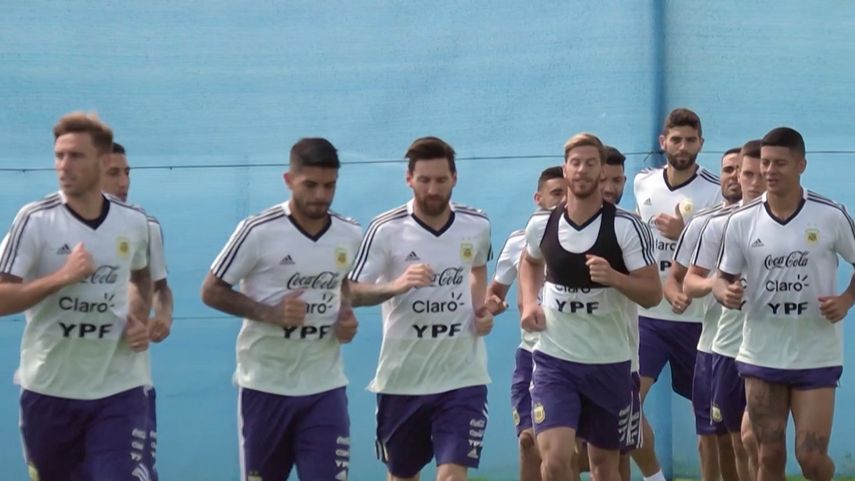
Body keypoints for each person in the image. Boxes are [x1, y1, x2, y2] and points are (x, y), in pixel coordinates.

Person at [0, 112, 153, 481]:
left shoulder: (133, 221)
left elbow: (141, 277)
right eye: (59, 156)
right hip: (50, 390)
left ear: (102, 162)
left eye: (75, 156)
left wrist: (139, 315)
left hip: (119, 388)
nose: (63, 166)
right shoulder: (35, 220)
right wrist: (62, 277)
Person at [201, 138, 362, 481]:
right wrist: (270, 313)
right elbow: (212, 291)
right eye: (311, 185)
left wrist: (345, 317)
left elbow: (343, 285)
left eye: (329, 186)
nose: (321, 195)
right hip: (266, 387)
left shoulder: (349, 233)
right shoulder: (257, 231)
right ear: (288, 180)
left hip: (325, 388)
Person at [348, 136, 494, 481]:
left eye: (441, 180)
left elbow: (476, 269)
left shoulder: (477, 224)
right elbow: (351, 292)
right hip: (403, 380)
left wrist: (480, 308)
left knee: (451, 475)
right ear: (409, 179)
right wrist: (396, 285)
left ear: (454, 179)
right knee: (402, 475)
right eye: (424, 180)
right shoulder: (386, 229)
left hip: (463, 376)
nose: (432, 189)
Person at [714, 127, 855, 481]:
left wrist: (847, 299)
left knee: (810, 457)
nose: (769, 171)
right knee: (769, 453)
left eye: (780, 163)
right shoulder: (742, 222)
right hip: (762, 353)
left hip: (816, 352)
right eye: (765, 163)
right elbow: (722, 278)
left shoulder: (831, 215)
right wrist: (725, 292)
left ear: (801, 165)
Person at [519, 133, 661, 481]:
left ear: (601, 172)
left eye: (590, 163)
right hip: (555, 362)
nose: (582, 170)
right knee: (553, 460)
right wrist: (527, 302)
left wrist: (615, 277)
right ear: (565, 169)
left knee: (604, 466)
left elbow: (652, 293)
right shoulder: (542, 224)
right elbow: (530, 262)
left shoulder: (627, 228)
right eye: (575, 162)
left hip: (609, 363)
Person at [632, 108, 723, 481]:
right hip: (650, 319)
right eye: (676, 139)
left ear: (701, 143)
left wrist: (684, 231)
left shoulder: (715, 189)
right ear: (663, 142)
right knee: (627, 406)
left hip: (699, 322)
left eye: (690, 140)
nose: (682, 146)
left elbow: (724, 249)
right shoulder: (642, 182)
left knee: (712, 421)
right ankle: (654, 478)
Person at [684, 140, 765, 481]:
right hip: (721, 345)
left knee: (755, 439)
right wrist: (714, 286)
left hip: (773, 349)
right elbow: (685, 280)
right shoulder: (714, 224)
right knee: (726, 438)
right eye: (737, 171)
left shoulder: (798, 220)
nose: (749, 180)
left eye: (756, 173)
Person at [665, 147, 743, 481]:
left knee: (751, 440)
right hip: (711, 345)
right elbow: (677, 278)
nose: (735, 177)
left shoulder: (770, 222)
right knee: (713, 438)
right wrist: (687, 292)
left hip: (762, 349)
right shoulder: (702, 224)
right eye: (728, 169)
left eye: (743, 170)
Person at [486, 165, 565, 481]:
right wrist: (492, 305)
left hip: (574, 357)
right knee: (528, 440)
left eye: (567, 192)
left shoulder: (589, 238)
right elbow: (495, 293)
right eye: (556, 193)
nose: (562, 200)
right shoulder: (519, 242)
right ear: (538, 198)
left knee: (572, 450)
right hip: (531, 354)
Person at [102, 141, 173, 480]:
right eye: (113, 173)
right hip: (60, 389)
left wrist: (163, 318)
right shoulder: (43, 222)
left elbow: (160, 288)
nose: (124, 181)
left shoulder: (145, 226)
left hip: (130, 384)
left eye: (127, 172)